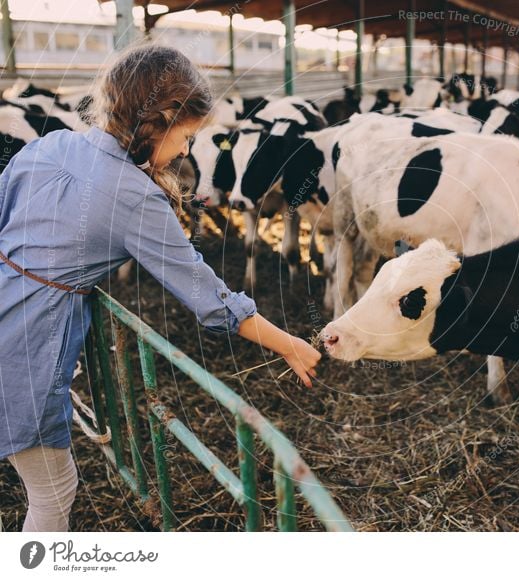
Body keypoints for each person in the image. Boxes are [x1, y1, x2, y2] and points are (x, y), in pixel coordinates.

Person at [0, 44, 321, 532]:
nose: (188, 150)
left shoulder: (50, 145)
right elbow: (211, 300)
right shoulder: (135, 195)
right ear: (161, 120)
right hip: (26, 344)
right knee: (53, 491)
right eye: (189, 135)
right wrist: (288, 343)